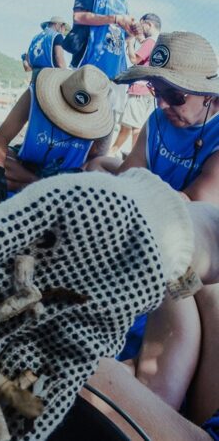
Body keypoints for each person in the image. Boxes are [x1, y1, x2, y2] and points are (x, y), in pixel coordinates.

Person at [95, 31, 219, 421]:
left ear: (209, 97)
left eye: (176, 95)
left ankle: (186, 418)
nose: (163, 103)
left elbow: (195, 208)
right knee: (100, 167)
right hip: (151, 238)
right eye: (156, 90)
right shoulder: (156, 119)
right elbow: (129, 180)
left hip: (191, 251)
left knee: (206, 302)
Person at [0, 65, 114, 201]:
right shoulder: (34, 94)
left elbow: (95, 160)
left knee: (103, 170)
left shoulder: (104, 122)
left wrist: (76, 175)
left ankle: (21, 185)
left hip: (67, 176)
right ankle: (39, 185)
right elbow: (2, 137)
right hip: (26, 166)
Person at [109, 13, 161, 157]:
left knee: (135, 126)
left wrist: (130, 43)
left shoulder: (150, 42)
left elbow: (134, 59)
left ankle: (134, 157)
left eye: (141, 24)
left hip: (140, 89)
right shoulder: (157, 43)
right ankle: (115, 151)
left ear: (149, 24)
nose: (140, 27)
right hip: (147, 89)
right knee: (128, 124)